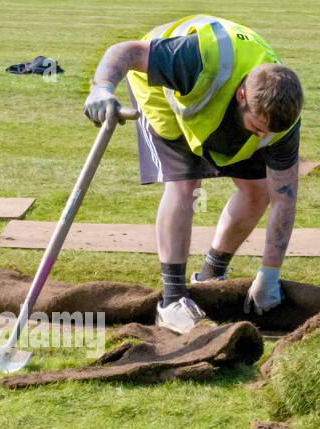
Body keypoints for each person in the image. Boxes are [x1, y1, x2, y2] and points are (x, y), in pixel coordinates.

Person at [84, 15, 304, 333]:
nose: (261, 138)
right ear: (242, 96)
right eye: (258, 128)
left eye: (267, 134)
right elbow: (126, 51)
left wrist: (269, 273)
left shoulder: (279, 118)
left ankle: (211, 276)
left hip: (218, 101)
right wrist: (102, 88)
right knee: (184, 185)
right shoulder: (196, 59)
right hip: (162, 93)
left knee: (258, 191)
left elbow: (284, 199)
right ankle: (172, 300)